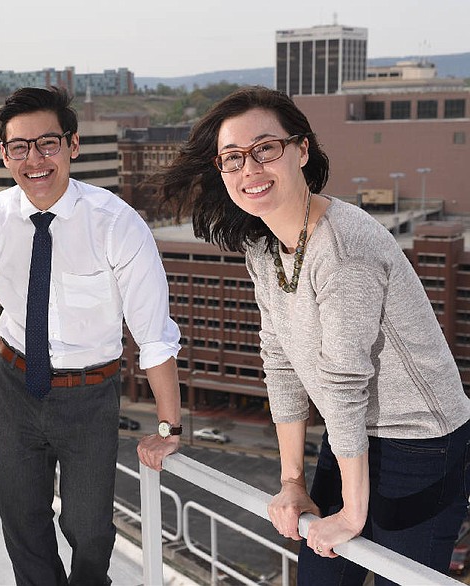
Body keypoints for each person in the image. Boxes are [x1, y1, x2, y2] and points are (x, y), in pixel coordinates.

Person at [151, 85, 470, 585]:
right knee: (319, 578)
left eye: (265, 149)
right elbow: (279, 362)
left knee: (399, 578)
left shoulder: (344, 247)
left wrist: (352, 513)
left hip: (421, 442)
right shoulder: (263, 243)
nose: (250, 169)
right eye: (232, 158)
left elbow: (342, 381)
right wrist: (292, 481)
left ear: (301, 150)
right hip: (354, 437)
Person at [0, 86, 182, 586]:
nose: (35, 160)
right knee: (22, 522)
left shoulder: (116, 224)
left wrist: (168, 428)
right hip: (15, 384)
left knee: (87, 529)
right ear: (5, 155)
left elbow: (153, 334)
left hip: (90, 396)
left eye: (47, 143)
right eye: (19, 147)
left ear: (73, 144)